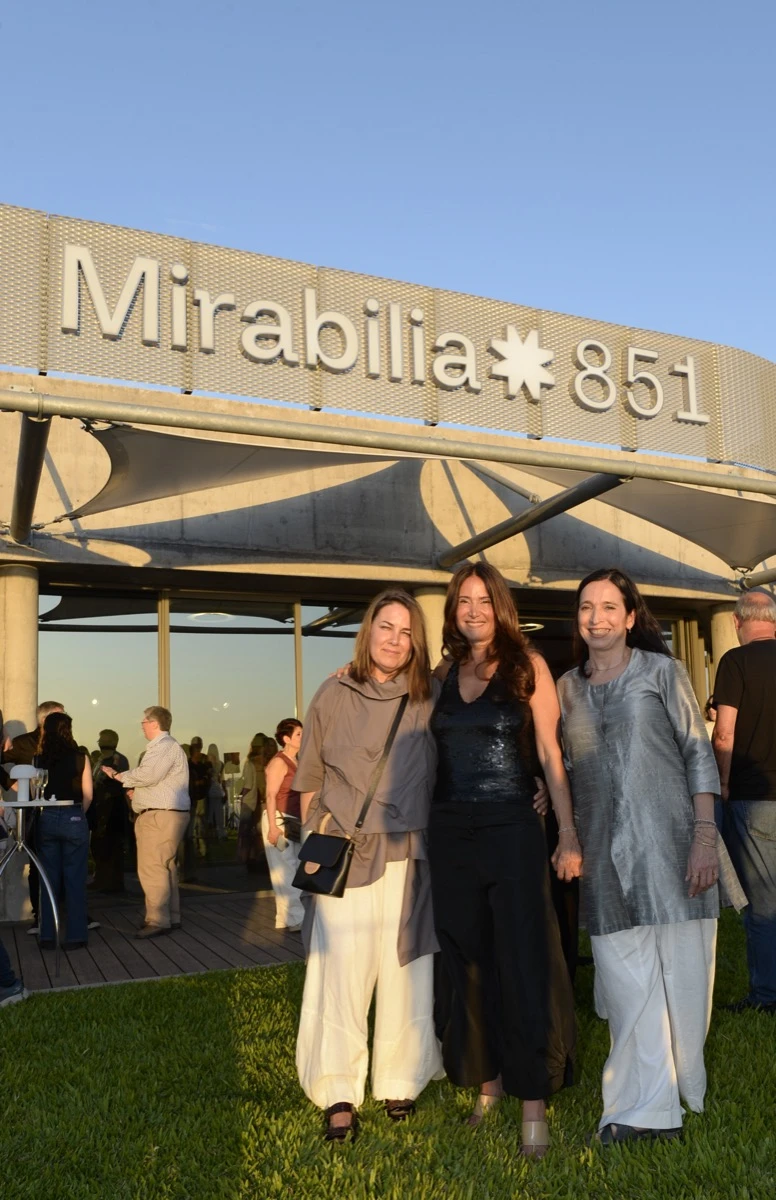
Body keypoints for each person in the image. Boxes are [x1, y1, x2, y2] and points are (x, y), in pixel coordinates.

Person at [557, 568, 721, 1145]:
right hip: (603, 857)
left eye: (608, 607)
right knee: (627, 986)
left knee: (682, 979)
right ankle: (641, 1107)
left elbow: (698, 754)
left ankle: (679, 1089)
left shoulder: (662, 671)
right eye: (585, 607)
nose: (595, 617)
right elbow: (570, 763)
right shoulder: (566, 687)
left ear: (630, 617)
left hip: (673, 846)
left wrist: (704, 837)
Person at [429, 563, 580, 1158]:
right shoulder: (442, 671)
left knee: (522, 959)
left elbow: (550, 753)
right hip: (450, 832)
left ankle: (533, 1105)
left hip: (514, 826)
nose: (473, 610)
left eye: (483, 601)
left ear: (501, 608)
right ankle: (486, 1085)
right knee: (466, 958)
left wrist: (566, 831)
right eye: (463, 600)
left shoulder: (528, 666)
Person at [295, 589, 443, 1141]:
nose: (395, 640)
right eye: (386, 627)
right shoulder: (334, 691)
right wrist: (314, 836)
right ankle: (338, 1088)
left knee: (407, 970)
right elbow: (307, 776)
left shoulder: (432, 693)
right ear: (368, 630)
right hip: (348, 850)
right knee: (342, 973)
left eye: (407, 632)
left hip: (412, 849)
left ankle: (400, 1078)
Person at [712, 589, 776, 1013]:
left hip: (756, 797)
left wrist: (722, 784)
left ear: (737, 622)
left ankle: (767, 997)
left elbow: (724, 733)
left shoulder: (735, 662)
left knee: (765, 903)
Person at [101, 707, 190, 939]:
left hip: (159, 816)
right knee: (165, 866)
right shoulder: (169, 747)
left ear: (155, 723)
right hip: (166, 813)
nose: (141, 724)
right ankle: (172, 915)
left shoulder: (162, 747)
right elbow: (157, 782)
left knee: (152, 867)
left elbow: (149, 775)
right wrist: (138, 793)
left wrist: (119, 776)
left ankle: (158, 919)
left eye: (145, 721)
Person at [2, 700, 64, 934]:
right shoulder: (23, 743)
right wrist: (10, 783)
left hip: (61, 810)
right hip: (34, 814)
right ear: (44, 719)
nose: (65, 721)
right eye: (61, 716)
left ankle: (64, 913)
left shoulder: (67, 744)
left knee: (61, 863)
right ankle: (40, 917)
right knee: (39, 864)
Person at [35, 712, 94, 949]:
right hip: (73, 814)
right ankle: (76, 935)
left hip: (47, 815)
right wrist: (78, 814)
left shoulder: (38, 759)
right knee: (75, 878)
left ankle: (48, 935)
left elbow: (34, 794)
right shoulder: (81, 757)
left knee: (48, 880)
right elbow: (88, 794)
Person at [262, 718, 304, 931]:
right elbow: (270, 795)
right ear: (286, 739)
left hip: (293, 819)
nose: (302, 737)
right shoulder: (279, 762)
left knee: (291, 867)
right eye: (298, 734)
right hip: (279, 817)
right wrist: (272, 826)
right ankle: (295, 918)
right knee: (286, 869)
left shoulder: (296, 760)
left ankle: (285, 917)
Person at [89, 729, 129, 893]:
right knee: (100, 845)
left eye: (101, 739)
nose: (98, 742)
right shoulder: (100, 760)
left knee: (111, 846)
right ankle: (102, 878)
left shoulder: (117, 760)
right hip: (100, 809)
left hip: (112, 809)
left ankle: (113, 882)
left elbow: (118, 784)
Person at [237, 734, 269, 873]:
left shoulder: (250, 763)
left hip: (253, 800)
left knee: (250, 831)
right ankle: (253, 859)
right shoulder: (255, 763)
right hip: (257, 799)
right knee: (255, 831)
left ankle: (250, 858)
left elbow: (249, 783)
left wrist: (241, 794)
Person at [206, 743, 226, 839]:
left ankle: (210, 833)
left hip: (209, 790)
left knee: (210, 813)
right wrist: (224, 791)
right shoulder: (220, 764)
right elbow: (222, 779)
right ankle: (221, 832)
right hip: (218, 790)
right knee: (219, 814)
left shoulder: (207, 763)